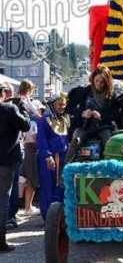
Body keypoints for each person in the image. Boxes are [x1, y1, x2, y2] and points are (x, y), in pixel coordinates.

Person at [64, 65, 123, 162]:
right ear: (92, 79)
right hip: (84, 126)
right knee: (76, 140)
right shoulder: (83, 92)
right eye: (97, 81)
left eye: (102, 82)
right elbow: (68, 108)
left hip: (103, 127)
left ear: (107, 82)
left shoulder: (112, 96)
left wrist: (101, 116)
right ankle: (65, 171)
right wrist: (82, 113)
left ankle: (111, 170)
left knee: (109, 142)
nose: (99, 85)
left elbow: (115, 114)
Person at [0, 82, 30, 253]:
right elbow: (25, 125)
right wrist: (23, 108)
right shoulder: (9, 109)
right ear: (3, 92)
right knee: (3, 200)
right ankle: (1, 239)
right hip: (6, 161)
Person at [36, 94, 69, 222]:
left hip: (63, 157)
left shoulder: (64, 119)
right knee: (48, 187)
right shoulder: (45, 120)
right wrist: (47, 156)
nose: (62, 107)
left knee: (61, 186)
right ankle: (49, 217)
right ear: (53, 105)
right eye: (59, 104)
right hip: (49, 157)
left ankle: (60, 216)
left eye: (64, 104)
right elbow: (41, 140)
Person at [20, 99, 46, 216]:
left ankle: (28, 206)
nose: (40, 111)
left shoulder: (28, 121)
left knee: (29, 179)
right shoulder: (33, 123)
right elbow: (36, 138)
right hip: (32, 151)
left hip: (28, 149)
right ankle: (28, 207)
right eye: (39, 109)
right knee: (31, 180)